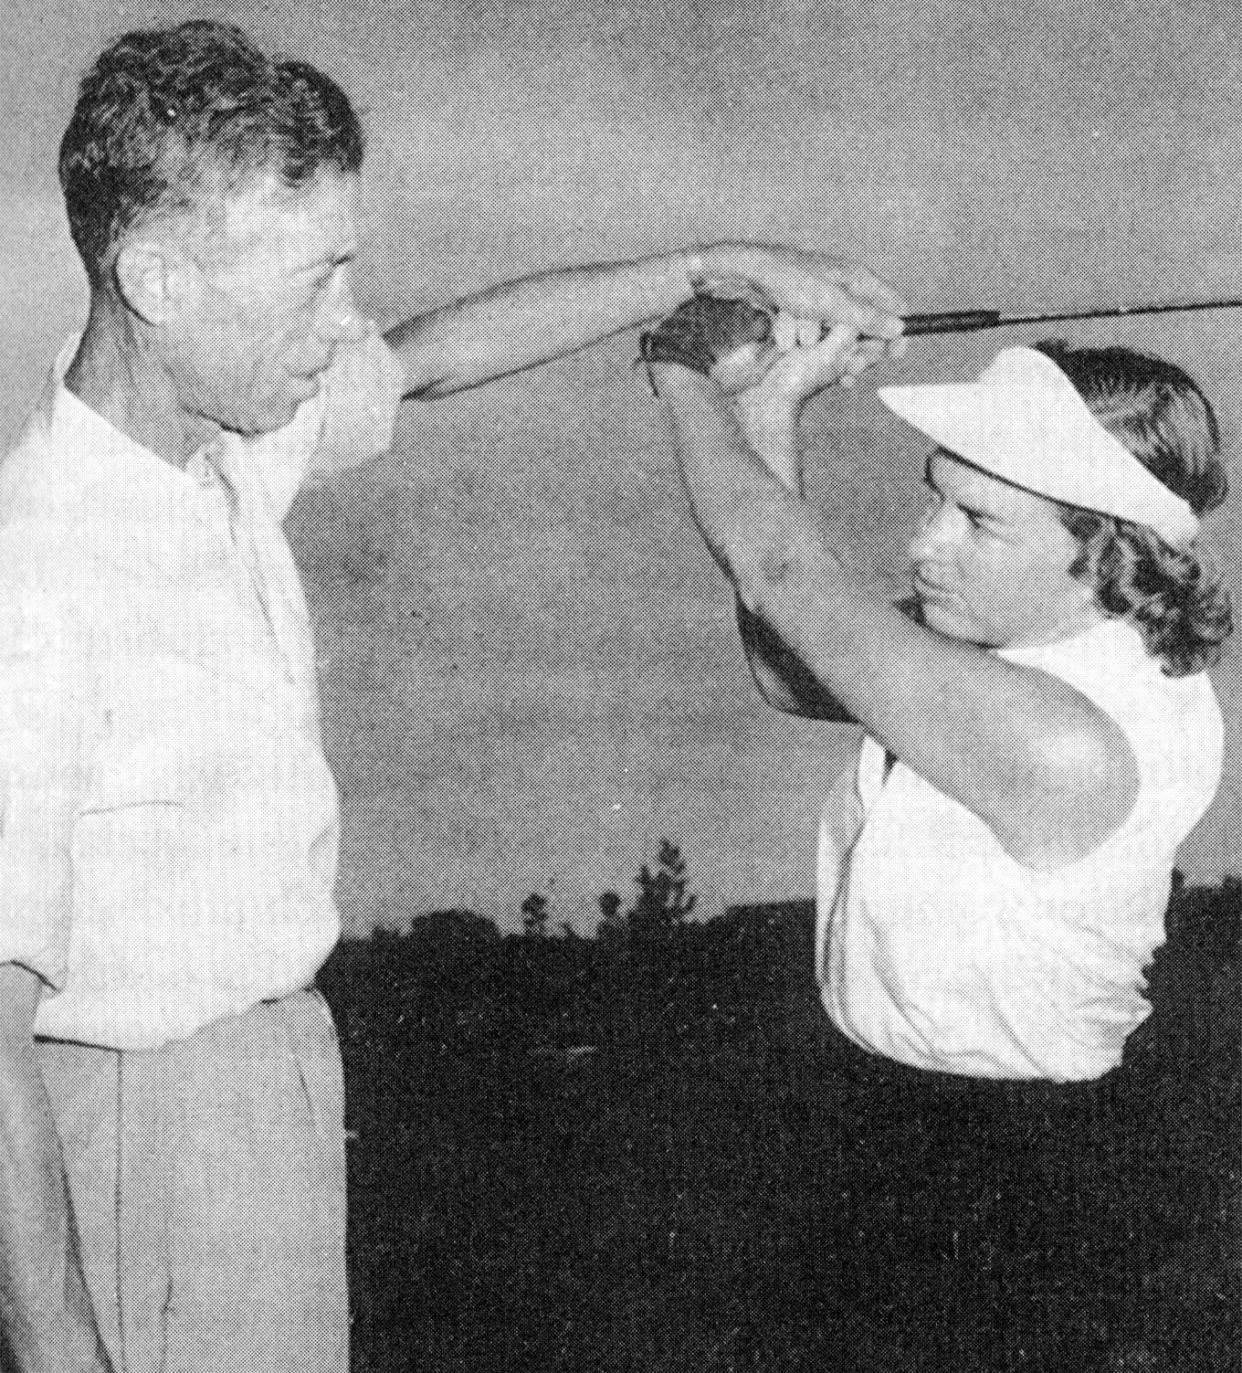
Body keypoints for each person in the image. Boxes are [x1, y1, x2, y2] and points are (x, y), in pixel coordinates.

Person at [0, 19, 908, 1373]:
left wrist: (709, 267)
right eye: (312, 287)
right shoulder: (40, 571)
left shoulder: (219, 450)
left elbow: (430, 356)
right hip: (138, 1139)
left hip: (270, 1096)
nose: (342, 328)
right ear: (156, 279)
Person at [640, 306, 1230, 1367]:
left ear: (1105, 551)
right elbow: (790, 664)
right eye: (938, 502)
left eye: (982, 521)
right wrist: (774, 403)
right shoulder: (1029, 652)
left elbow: (784, 576)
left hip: (1011, 1179)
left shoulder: (1068, 736)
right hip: (885, 1121)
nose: (926, 544)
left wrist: (683, 376)